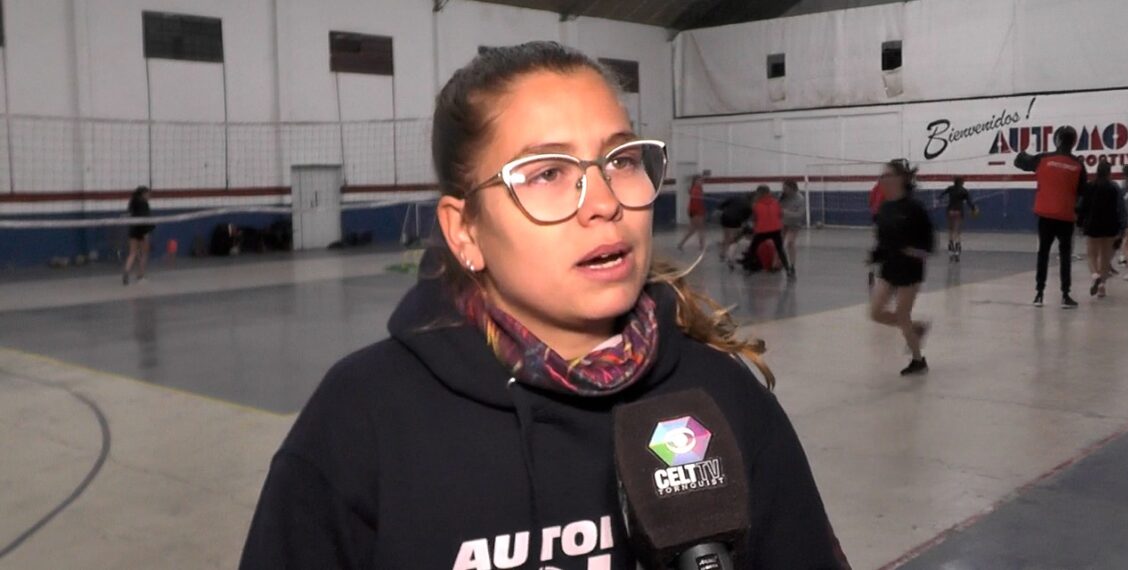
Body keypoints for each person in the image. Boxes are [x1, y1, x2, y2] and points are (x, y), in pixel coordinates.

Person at [240, 42, 847, 569]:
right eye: (547, 172)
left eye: (622, 160)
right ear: (465, 232)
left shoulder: (723, 398)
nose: (603, 201)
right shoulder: (361, 421)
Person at [869, 160, 934, 376]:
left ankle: (918, 361)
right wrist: (875, 254)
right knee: (876, 313)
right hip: (889, 267)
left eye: (887, 175)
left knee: (901, 316)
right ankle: (917, 327)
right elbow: (883, 239)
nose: (883, 180)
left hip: (910, 270)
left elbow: (929, 246)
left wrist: (910, 251)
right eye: (882, 176)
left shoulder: (915, 208)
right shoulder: (885, 207)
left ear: (901, 179)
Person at [1015, 126, 1086, 309]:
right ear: (1073, 141)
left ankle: (1039, 294)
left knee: (1043, 254)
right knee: (1065, 256)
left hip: (1046, 215)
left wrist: (1022, 151)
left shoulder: (1043, 158)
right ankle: (1065, 295)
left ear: (1057, 139)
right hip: (1066, 216)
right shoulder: (1078, 165)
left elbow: (1019, 162)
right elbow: (1082, 192)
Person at [1079, 160, 1124, 297]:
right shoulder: (1114, 187)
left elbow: (1083, 206)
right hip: (1110, 225)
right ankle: (1102, 286)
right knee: (1105, 257)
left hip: (1093, 224)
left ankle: (1095, 276)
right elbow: (1119, 208)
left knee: (1091, 255)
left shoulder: (1090, 186)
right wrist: (1121, 227)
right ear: (1109, 173)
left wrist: (1081, 223)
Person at [743, 185, 794, 278]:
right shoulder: (775, 203)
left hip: (762, 230)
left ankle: (749, 269)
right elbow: (780, 215)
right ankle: (788, 270)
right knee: (780, 250)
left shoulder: (756, 205)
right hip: (775, 229)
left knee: (752, 249)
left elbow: (755, 218)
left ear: (759, 193)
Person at [938, 176, 978, 262]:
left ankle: (951, 251)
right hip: (959, 212)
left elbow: (941, 195)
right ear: (961, 182)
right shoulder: (964, 191)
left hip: (950, 211)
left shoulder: (950, 188)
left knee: (950, 231)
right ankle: (957, 252)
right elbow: (969, 202)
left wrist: (940, 199)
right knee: (957, 232)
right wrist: (974, 209)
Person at [122, 185, 155, 285]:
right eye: (148, 193)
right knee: (144, 253)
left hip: (133, 230)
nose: (149, 195)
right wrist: (146, 232)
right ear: (144, 193)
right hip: (142, 230)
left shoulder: (132, 201)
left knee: (132, 253)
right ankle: (140, 276)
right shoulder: (143, 203)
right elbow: (145, 218)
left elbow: (131, 214)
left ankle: (126, 271)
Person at [715, 191, 753, 262]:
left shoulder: (735, 197)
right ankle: (730, 256)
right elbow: (745, 219)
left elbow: (722, 204)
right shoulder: (749, 206)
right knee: (734, 239)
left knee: (726, 237)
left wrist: (721, 210)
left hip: (725, 217)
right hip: (735, 220)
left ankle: (722, 254)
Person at [780, 180, 807, 272]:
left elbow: (800, 214)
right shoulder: (782, 196)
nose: (784, 190)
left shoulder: (800, 199)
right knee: (779, 242)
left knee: (790, 242)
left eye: (785, 188)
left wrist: (786, 212)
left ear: (792, 188)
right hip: (783, 222)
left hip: (794, 223)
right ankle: (778, 262)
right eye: (783, 188)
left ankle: (792, 265)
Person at [677, 174, 707, 251]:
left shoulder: (697, 188)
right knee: (701, 229)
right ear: (695, 181)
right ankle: (702, 246)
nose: (701, 182)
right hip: (696, 211)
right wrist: (700, 212)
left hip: (695, 211)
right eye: (700, 180)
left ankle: (681, 244)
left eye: (702, 180)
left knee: (692, 229)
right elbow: (696, 202)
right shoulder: (696, 189)